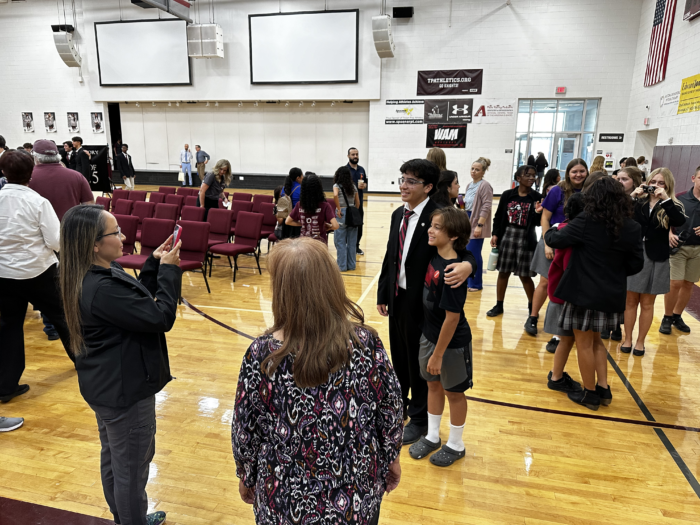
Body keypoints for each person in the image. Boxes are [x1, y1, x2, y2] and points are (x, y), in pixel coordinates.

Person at [231, 237, 403, 525]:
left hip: (285, 500)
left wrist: (247, 475)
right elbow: (391, 410)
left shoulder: (263, 355)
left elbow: (245, 431)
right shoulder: (366, 343)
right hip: (356, 497)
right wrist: (391, 457)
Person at [60, 205, 182, 525]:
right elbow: (158, 317)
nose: (124, 236)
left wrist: (154, 264)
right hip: (124, 391)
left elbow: (136, 303)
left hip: (106, 384)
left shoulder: (95, 272)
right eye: (116, 232)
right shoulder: (100, 288)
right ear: (94, 244)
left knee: (116, 460)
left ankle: (126, 518)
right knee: (131, 469)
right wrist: (171, 271)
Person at [377, 159, 476, 445]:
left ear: (429, 187)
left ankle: (420, 418)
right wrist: (384, 292)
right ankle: (404, 406)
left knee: (420, 362)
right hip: (398, 297)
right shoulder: (399, 214)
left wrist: (469, 266)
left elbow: (462, 248)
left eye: (411, 181)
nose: (403, 185)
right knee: (400, 357)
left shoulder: (440, 217)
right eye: (402, 179)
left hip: (423, 301)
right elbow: (390, 255)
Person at [545, 178, 643, 410]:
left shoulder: (587, 221)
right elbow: (636, 264)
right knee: (598, 342)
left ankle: (589, 393)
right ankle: (603, 388)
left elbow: (555, 240)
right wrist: (614, 272)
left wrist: (553, 227)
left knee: (584, 344)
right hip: (610, 295)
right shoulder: (631, 227)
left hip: (582, 293)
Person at [0, 151, 73, 405]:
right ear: (31, 173)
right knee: (63, 317)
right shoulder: (38, 202)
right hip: (38, 271)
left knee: (9, 326)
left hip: (4, 275)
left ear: (3, 172)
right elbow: (55, 240)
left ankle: (6, 385)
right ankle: (85, 363)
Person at [409, 207, 473, 467]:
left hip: (451, 344)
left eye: (437, 227)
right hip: (429, 336)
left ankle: (456, 444)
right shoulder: (433, 256)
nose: (430, 230)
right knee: (432, 384)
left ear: (454, 235)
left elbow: (452, 318)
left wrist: (437, 354)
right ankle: (433, 435)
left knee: (453, 392)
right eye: (431, 225)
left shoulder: (453, 271)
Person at [621, 168, 686, 355]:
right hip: (634, 254)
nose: (655, 186)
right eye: (653, 182)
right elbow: (620, 214)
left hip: (656, 256)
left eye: (661, 183)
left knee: (647, 303)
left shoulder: (672, 204)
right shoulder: (638, 202)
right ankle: (627, 339)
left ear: (667, 186)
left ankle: (640, 342)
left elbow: (679, 221)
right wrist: (633, 195)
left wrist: (665, 199)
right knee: (630, 301)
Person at [526, 159, 588, 336]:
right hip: (554, 240)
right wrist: (547, 243)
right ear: (568, 172)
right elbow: (545, 218)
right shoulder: (557, 190)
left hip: (576, 245)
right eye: (574, 171)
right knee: (545, 282)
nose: (578, 175)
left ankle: (564, 326)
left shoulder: (590, 190)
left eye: (582, 171)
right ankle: (532, 316)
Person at [487, 165, 542, 318]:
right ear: (518, 178)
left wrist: (538, 212)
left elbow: (538, 223)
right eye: (528, 175)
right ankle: (499, 305)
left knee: (525, 275)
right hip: (508, 235)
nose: (532, 178)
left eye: (533, 175)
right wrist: (495, 234)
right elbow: (498, 217)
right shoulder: (507, 195)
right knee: (503, 272)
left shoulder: (537, 197)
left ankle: (532, 308)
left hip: (526, 238)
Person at [544, 193, 585, 395]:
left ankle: (557, 375)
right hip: (564, 297)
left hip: (560, 295)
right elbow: (568, 265)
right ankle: (556, 376)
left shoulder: (562, 230)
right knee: (568, 339)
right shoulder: (570, 234)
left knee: (566, 340)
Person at [663, 166, 700, 334]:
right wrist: (669, 233)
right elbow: (665, 218)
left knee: (688, 283)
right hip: (678, 248)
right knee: (675, 282)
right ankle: (667, 316)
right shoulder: (680, 198)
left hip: (698, 249)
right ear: (693, 178)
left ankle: (677, 316)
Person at [463, 157, 493, 292]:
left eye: (477, 169)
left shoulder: (485, 185)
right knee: (467, 253)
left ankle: (476, 283)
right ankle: (468, 281)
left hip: (477, 221)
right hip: (468, 220)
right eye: (472, 169)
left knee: (474, 253)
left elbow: (486, 206)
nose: (474, 171)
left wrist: (479, 226)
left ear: (483, 172)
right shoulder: (469, 185)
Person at [286, 173, 338, 244]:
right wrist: (330, 227)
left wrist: (304, 223)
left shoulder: (299, 205)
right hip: (319, 244)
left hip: (303, 244)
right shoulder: (325, 205)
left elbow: (288, 221)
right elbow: (335, 225)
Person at [333, 165, 360, 271]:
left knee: (340, 241)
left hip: (342, 214)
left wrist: (338, 209)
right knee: (352, 241)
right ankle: (352, 265)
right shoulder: (353, 186)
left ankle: (342, 266)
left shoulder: (337, 185)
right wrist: (355, 211)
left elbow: (335, 195)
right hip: (352, 212)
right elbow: (357, 202)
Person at [347, 147, 368, 255]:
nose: (355, 156)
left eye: (357, 154)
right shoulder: (344, 170)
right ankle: (348, 246)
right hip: (348, 204)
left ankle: (356, 246)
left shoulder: (361, 169)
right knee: (348, 225)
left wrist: (364, 185)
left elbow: (365, 183)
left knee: (359, 224)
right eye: (353, 154)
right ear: (348, 156)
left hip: (359, 204)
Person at [278, 168, 303, 239]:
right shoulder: (301, 188)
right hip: (296, 222)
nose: (303, 178)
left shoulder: (284, 188)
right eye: (302, 176)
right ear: (298, 178)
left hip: (285, 221)